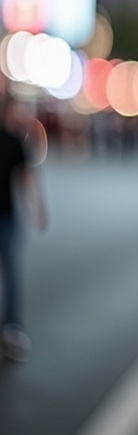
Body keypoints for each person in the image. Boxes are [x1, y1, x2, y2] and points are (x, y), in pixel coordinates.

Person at [0, 95, 48, 362]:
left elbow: (27, 176)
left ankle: (12, 327)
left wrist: (38, 207)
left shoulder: (17, 141)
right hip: (7, 217)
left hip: (7, 216)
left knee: (12, 274)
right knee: (11, 273)